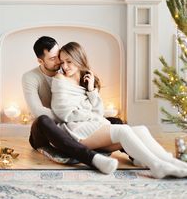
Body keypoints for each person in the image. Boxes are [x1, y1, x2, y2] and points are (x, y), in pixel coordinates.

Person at [51, 41, 187, 179]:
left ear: (79, 59)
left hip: (92, 125)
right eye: (62, 62)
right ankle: (157, 166)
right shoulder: (60, 79)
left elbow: (98, 111)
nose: (65, 66)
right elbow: (63, 113)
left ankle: (171, 161)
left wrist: (91, 90)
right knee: (123, 130)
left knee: (141, 130)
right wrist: (90, 113)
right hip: (76, 131)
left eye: (69, 61)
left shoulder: (85, 81)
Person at [22, 36, 123, 174]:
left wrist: (83, 116)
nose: (59, 62)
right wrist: (69, 121)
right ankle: (91, 157)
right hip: (47, 130)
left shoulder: (68, 71)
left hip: (72, 125)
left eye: (59, 56)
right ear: (41, 61)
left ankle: (133, 153)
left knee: (115, 121)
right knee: (43, 120)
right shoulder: (30, 77)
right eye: (52, 59)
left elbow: (88, 105)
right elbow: (37, 110)